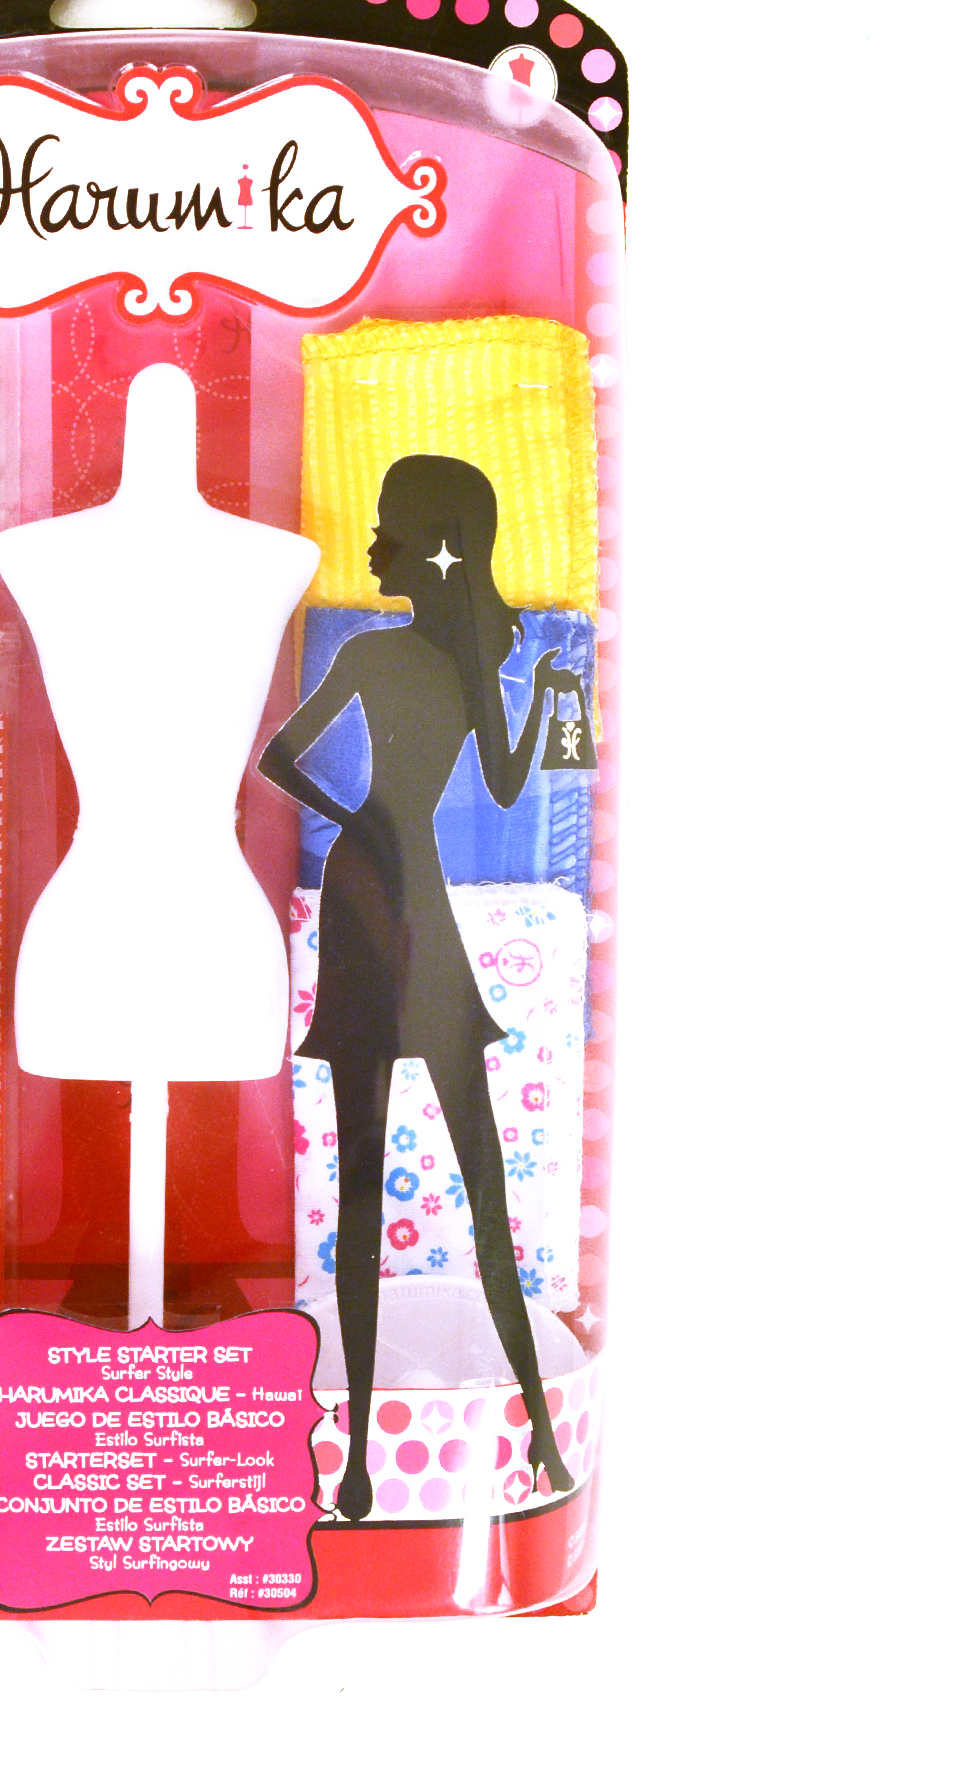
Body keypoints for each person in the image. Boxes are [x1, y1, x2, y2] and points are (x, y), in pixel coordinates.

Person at [257, 454, 582, 1519]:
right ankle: (513, 1434)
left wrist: (355, 819)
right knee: (452, 1178)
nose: (369, 544)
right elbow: (503, 780)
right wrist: (543, 700)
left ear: (432, 544)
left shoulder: (380, 654)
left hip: (374, 890)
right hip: (401, 895)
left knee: (389, 1182)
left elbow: (284, 760)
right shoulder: (441, 662)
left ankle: (367, 1459)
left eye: (386, 528)